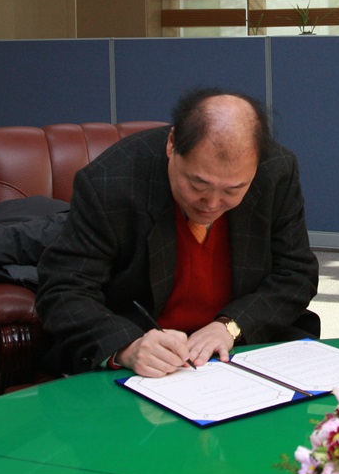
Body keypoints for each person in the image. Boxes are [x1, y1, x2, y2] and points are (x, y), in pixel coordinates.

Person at [36, 87, 320, 377]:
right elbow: (64, 290)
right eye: (198, 186)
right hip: (147, 358)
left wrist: (231, 326)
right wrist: (126, 347)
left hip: (242, 347)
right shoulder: (110, 183)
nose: (211, 204)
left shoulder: (276, 171)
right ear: (172, 144)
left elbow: (296, 274)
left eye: (233, 190)